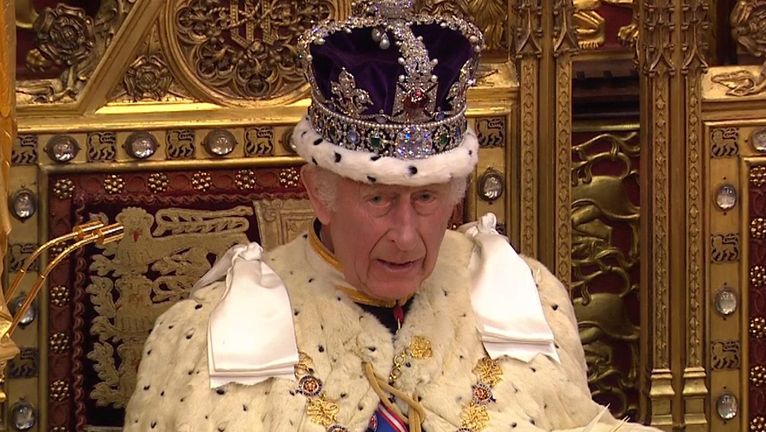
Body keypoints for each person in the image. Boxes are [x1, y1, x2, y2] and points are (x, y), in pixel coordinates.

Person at [124, 1, 661, 431]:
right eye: (378, 199)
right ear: (320, 193)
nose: (406, 237)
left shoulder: (521, 294)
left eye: (427, 199)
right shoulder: (208, 330)